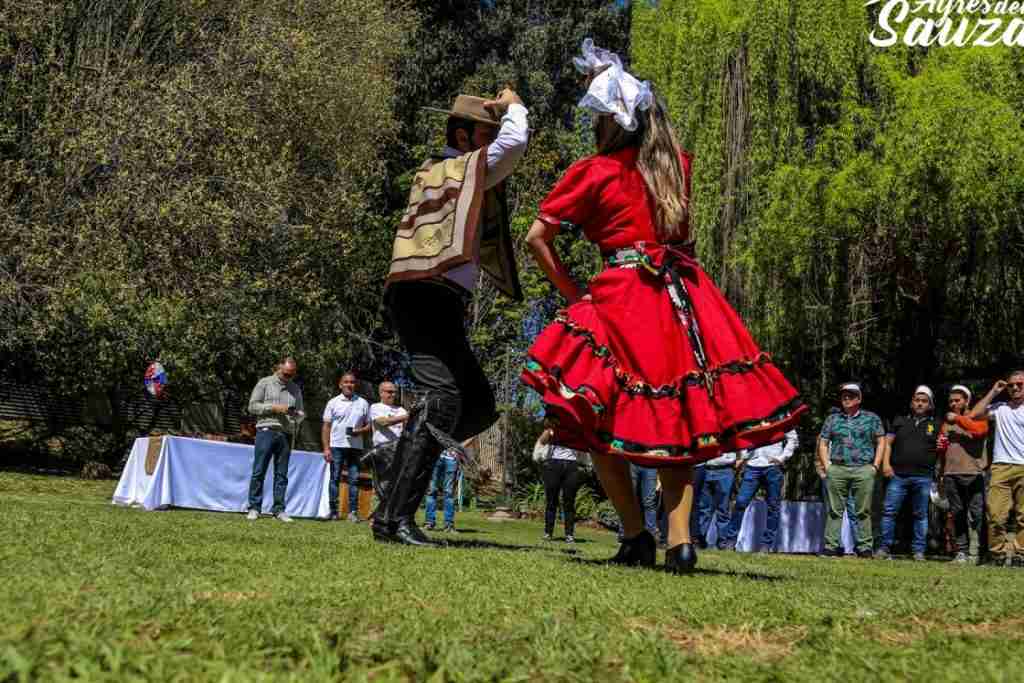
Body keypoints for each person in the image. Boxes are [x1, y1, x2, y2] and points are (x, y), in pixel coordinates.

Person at [520, 39, 805, 574]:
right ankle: (681, 542)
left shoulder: (592, 172)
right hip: (681, 298)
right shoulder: (673, 169)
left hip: (621, 296)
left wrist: (574, 294)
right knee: (679, 419)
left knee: (595, 416)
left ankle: (635, 535)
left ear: (609, 122)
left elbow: (537, 238)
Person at [372, 85, 530, 546]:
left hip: (438, 298)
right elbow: (514, 145)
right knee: (442, 400)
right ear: (463, 138)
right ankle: (394, 518)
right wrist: (515, 106)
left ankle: (403, 460)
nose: (492, 139)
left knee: (477, 403)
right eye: (486, 132)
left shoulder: (452, 171)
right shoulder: (455, 169)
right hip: (422, 295)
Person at [876, 386, 946, 561]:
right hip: (897, 475)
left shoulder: (937, 424)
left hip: (924, 476)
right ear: (912, 403)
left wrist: (940, 472)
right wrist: (886, 464)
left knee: (920, 514)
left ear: (930, 405)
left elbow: (942, 449)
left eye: (924, 401)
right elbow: (888, 443)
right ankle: (884, 548)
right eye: (917, 400)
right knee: (889, 511)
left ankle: (918, 551)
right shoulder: (899, 421)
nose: (920, 403)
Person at [818, 383, 885, 558]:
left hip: (863, 469)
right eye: (844, 396)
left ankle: (864, 547)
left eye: (851, 395)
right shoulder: (832, 419)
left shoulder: (872, 418)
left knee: (863, 510)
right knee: (834, 510)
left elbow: (881, 441)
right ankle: (831, 546)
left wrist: (875, 466)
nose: (846, 398)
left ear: (859, 398)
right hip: (837, 469)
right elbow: (823, 443)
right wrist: (827, 467)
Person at [967, 371, 1024, 567]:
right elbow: (973, 415)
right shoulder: (1000, 408)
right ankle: (997, 555)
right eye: (1011, 385)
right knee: (995, 514)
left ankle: (1020, 556)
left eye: (1020, 384)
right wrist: (994, 391)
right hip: (1001, 467)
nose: (1015, 388)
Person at [246, 357, 304, 522]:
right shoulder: (264, 383)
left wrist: (296, 415)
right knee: (259, 471)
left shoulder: (295, 389)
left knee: (282, 474)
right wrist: (273, 408)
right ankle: (254, 508)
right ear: (278, 368)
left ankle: (279, 510)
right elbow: (252, 406)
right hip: (266, 430)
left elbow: (301, 414)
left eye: (291, 375)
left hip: (286, 433)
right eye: (285, 374)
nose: (288, 378)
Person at [724, 430, 798, 553]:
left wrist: (782, 457)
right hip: (753, 465)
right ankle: (731, 541)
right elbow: (742, 437)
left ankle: (766, 545)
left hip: (773, 466)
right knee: (741, 502)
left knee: (773, 506)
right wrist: (744, 456)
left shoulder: (781, 416)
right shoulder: (752, 418)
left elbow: (793, 439)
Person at [942, 385, 987, 564]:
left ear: (967, 401)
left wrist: (958, 419)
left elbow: (979, 431)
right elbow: (943, 446)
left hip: (973, 472)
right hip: (951, 472)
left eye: (957, 400)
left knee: (977, 514)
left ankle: (980, 553)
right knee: (957, 513)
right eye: (951, 401)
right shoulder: (946, 422)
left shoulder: (979, 416)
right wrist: (941, 446)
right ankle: (961, 552)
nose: (953, 403)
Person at [321, 371, 372, 522]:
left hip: (356, 447)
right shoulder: (333, 402)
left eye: (352, 382)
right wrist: (326, 448)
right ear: (340, 384)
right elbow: (326, 426)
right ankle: (333, 511)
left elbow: (370, 425)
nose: (349, 385)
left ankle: (353, 513)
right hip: (336, 445)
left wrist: (360, 431)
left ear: (355, 385)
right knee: (335, 478)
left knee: (354, 480)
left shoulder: (363, 403)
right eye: (346, 382)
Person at [536, 419, 585, 543]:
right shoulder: (553, 430)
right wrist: (548, 429)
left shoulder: (577, 431)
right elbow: (542, 441)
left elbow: (584, 445)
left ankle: (569, 535)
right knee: (551, 500)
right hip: (554, 464)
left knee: (569, 502)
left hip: (571, 466)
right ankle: (548, 533)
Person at [697, 451, 738, 550]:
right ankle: (700, 539)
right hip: (706, 469)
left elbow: (743, 449)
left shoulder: (730, 435)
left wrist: (738, 462)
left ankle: (722, 542)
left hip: (725, 470)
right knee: (704, 508)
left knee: (723, 509)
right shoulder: (706, 435)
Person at [424, 447, 461, 533]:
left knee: (449, 492)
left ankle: (448, 525)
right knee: (431, 491)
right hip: (436, 457)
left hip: (452, 459)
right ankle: (429, 523)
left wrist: (458, 454)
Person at [370, 381, 409, 447]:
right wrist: (406, 416)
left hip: (398, 447)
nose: (393, 395)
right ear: (381, 393)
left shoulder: (401, 410)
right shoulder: (375, 407)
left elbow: (407, 429)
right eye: (390, 392)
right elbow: (383, 422)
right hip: (382, 448)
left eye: (395, 392)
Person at [630, 464, 659, 542]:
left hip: (651, 462)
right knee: (629, 499)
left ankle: (651, 535)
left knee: (649, 502)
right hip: (631, 459)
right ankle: (626, 533)